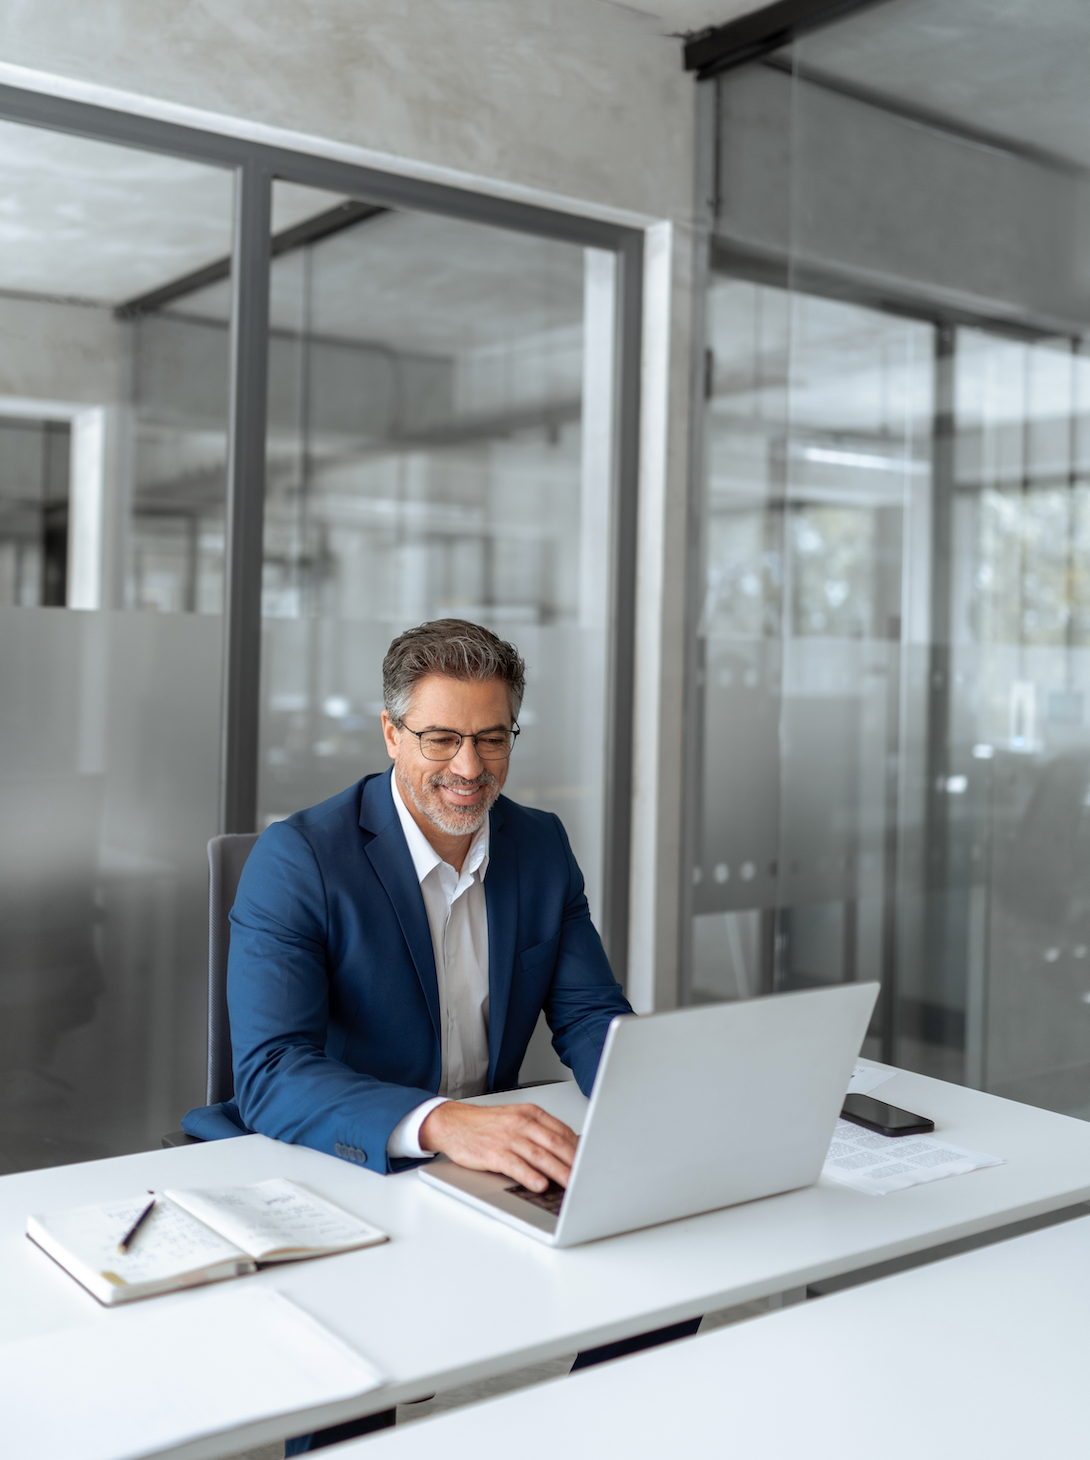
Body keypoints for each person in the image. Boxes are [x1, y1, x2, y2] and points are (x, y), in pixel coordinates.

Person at [184, 621, 698, 1454]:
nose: (469, 768)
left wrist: (651, 1114)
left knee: (660, 1263)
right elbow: (272, 1073)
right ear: (391, 733)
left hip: (471, 1171)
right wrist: (442, 1121)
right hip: (339, 1158)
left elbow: (590, 1014)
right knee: (357, 1376)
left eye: (493, 738)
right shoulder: (299, 858)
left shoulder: (539, 845)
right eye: (442, 738)